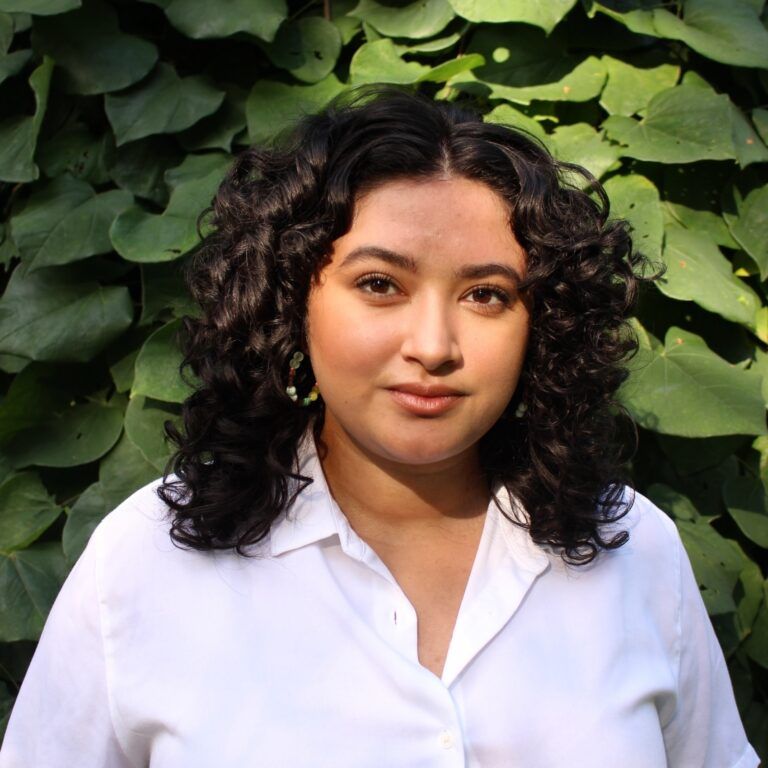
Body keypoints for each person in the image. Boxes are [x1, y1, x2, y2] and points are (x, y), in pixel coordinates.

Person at [0, 87, 759, 768]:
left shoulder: (634, 552)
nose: (433, 345)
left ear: (543, 324)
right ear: (291, 299)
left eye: (487, 295)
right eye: (378, 284)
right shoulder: (146, 568)